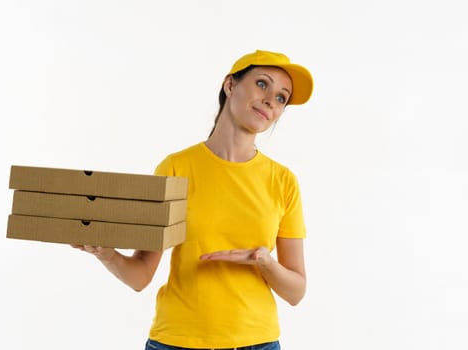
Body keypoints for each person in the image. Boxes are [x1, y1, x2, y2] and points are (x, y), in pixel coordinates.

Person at [72, 49, 314, 350]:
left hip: (257, 343)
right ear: (230, 85)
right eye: (263, 84)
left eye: (282, 97)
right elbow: (140, 276)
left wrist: (263, 261)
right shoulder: (175, 168)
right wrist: (106, 253)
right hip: (176, 341)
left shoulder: (283, 181)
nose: (271, 100)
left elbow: (296, 292)